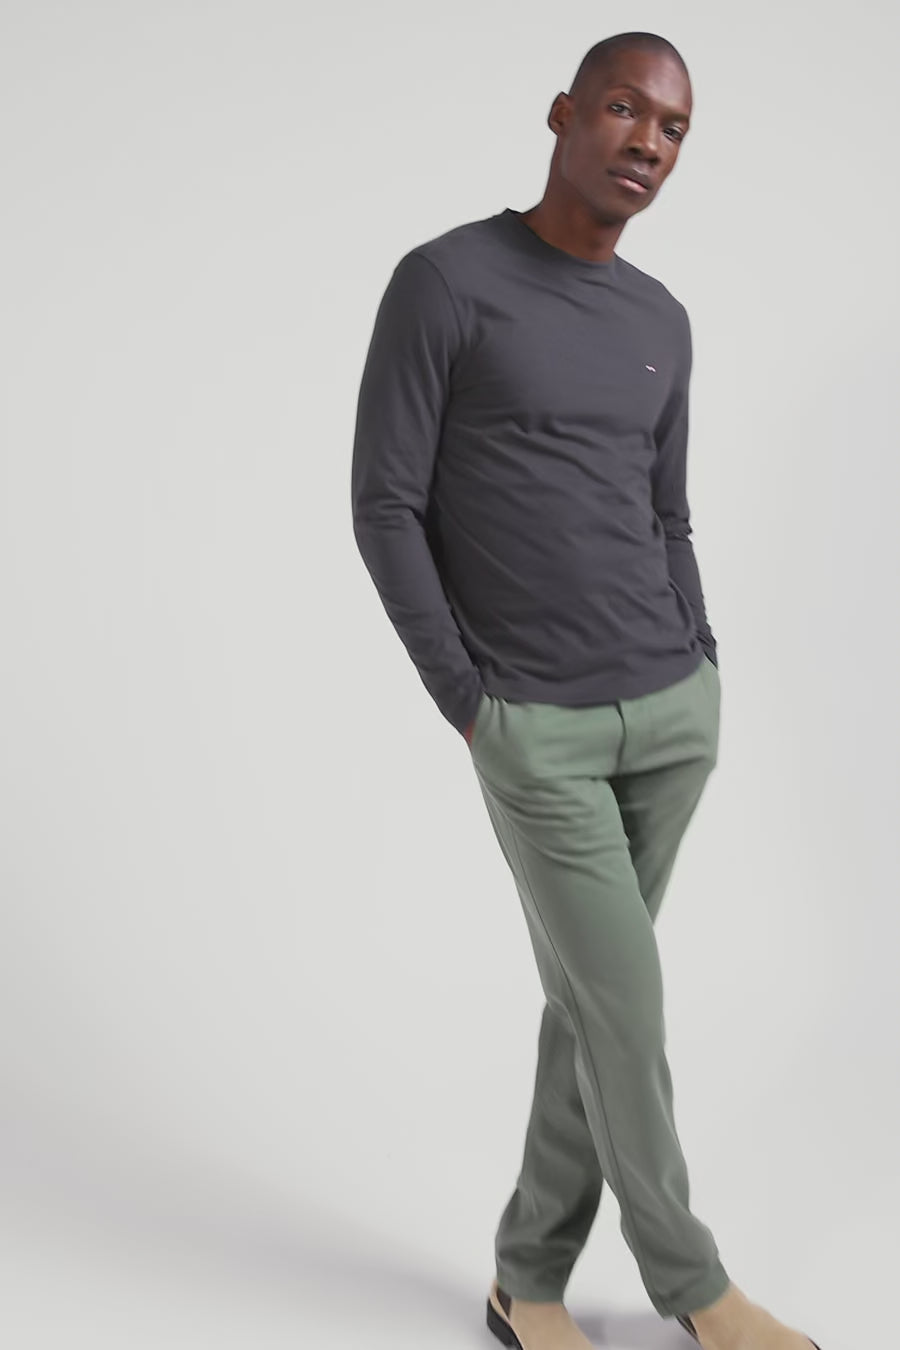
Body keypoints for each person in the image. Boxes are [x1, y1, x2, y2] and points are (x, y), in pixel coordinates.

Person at [350, 30, 821, 1350]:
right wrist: (468, 700)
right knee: (627, 1004)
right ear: (563, 113)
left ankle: (528, 1279)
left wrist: (703, 656)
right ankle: (698, 1288)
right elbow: (384, 505)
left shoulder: (661, 319)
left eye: (674, 130)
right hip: (535, 728)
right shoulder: (447, 283)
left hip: (671, 713)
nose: (648, 144)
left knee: (588, 1003)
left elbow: (666, 510)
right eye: (626, 109)